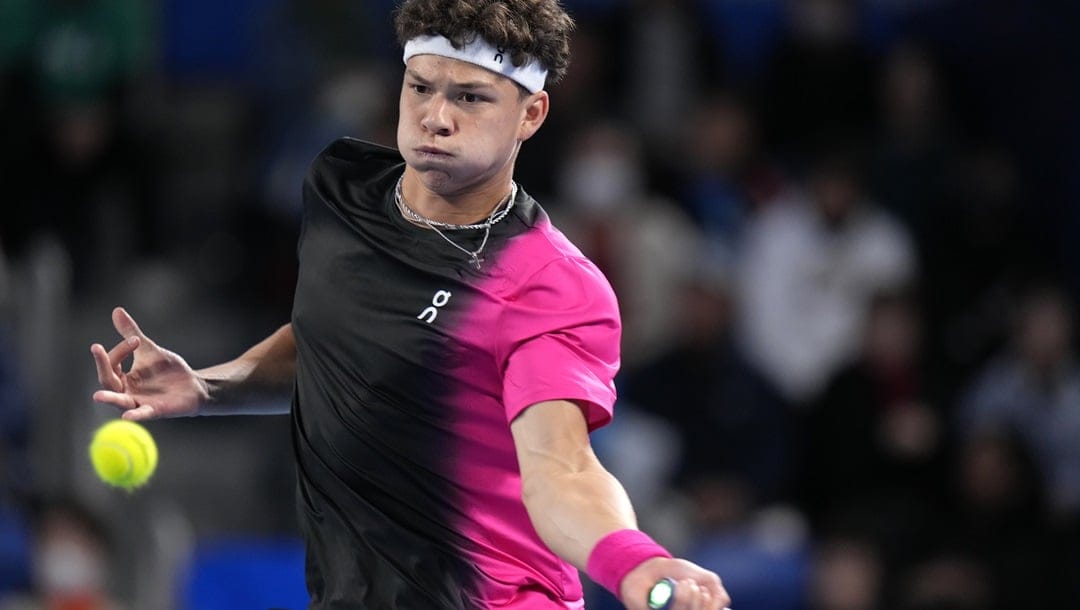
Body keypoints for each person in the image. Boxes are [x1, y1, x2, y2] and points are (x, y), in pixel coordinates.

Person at [88, 1, 731, 609]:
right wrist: (207, 385)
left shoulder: (547, 285)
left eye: (470, 97)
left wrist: (634, 561)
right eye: (420, 87)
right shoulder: (342, 189)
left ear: (531, 115)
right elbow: (334, 335)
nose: (435, 117)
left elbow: (559, 467)